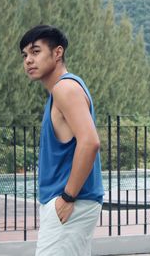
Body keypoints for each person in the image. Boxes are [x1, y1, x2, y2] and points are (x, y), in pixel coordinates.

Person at [20, 25, 104, 256]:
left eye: (35, 52)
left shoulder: (65, 88)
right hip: (71, 204)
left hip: (70, 203)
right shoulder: (62, 90)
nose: (28, 60)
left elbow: (90, 142)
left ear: (57, 53)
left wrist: (67, 197)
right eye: (25, 55)